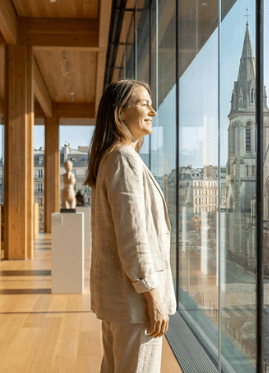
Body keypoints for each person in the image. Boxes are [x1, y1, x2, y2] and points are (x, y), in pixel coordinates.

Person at [86, 80, 176, 373]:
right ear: (120, 112)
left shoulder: (113, 158)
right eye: (143, 103)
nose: (152, 110)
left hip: (121, 300)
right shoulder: (124, 159)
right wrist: (153, 297)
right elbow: (134, 238)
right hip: (135, 304)